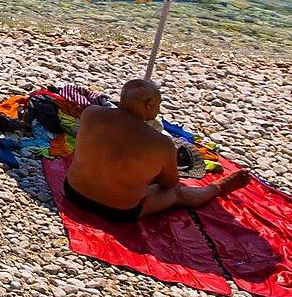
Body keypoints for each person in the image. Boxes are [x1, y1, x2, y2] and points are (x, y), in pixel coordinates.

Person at [63, 79, 249, 222]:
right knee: (176, 193)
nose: (158, 110)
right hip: (118, 211)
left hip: (73, 193)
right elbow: (170, 183)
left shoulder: (91, 113)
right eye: (158, 105)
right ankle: (216, 188)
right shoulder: (160, 143)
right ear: (148, 104)